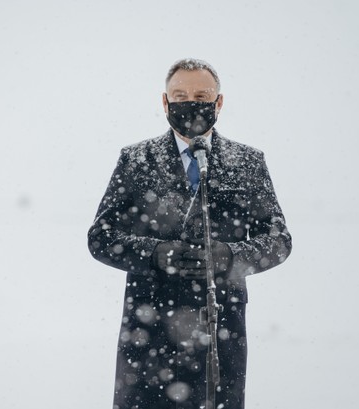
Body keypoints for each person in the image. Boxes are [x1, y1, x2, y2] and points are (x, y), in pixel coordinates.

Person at [87, 58, 292, 409]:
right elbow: (101, 237)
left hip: (219, 328)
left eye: (201, 94)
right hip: (148, 331)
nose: (190, 103)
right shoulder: (136, 160)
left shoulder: (247, 162)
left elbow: (278, 240)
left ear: (219, 102)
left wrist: (231, 257)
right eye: (179, 95)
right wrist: (155, 253)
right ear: (165, 103)